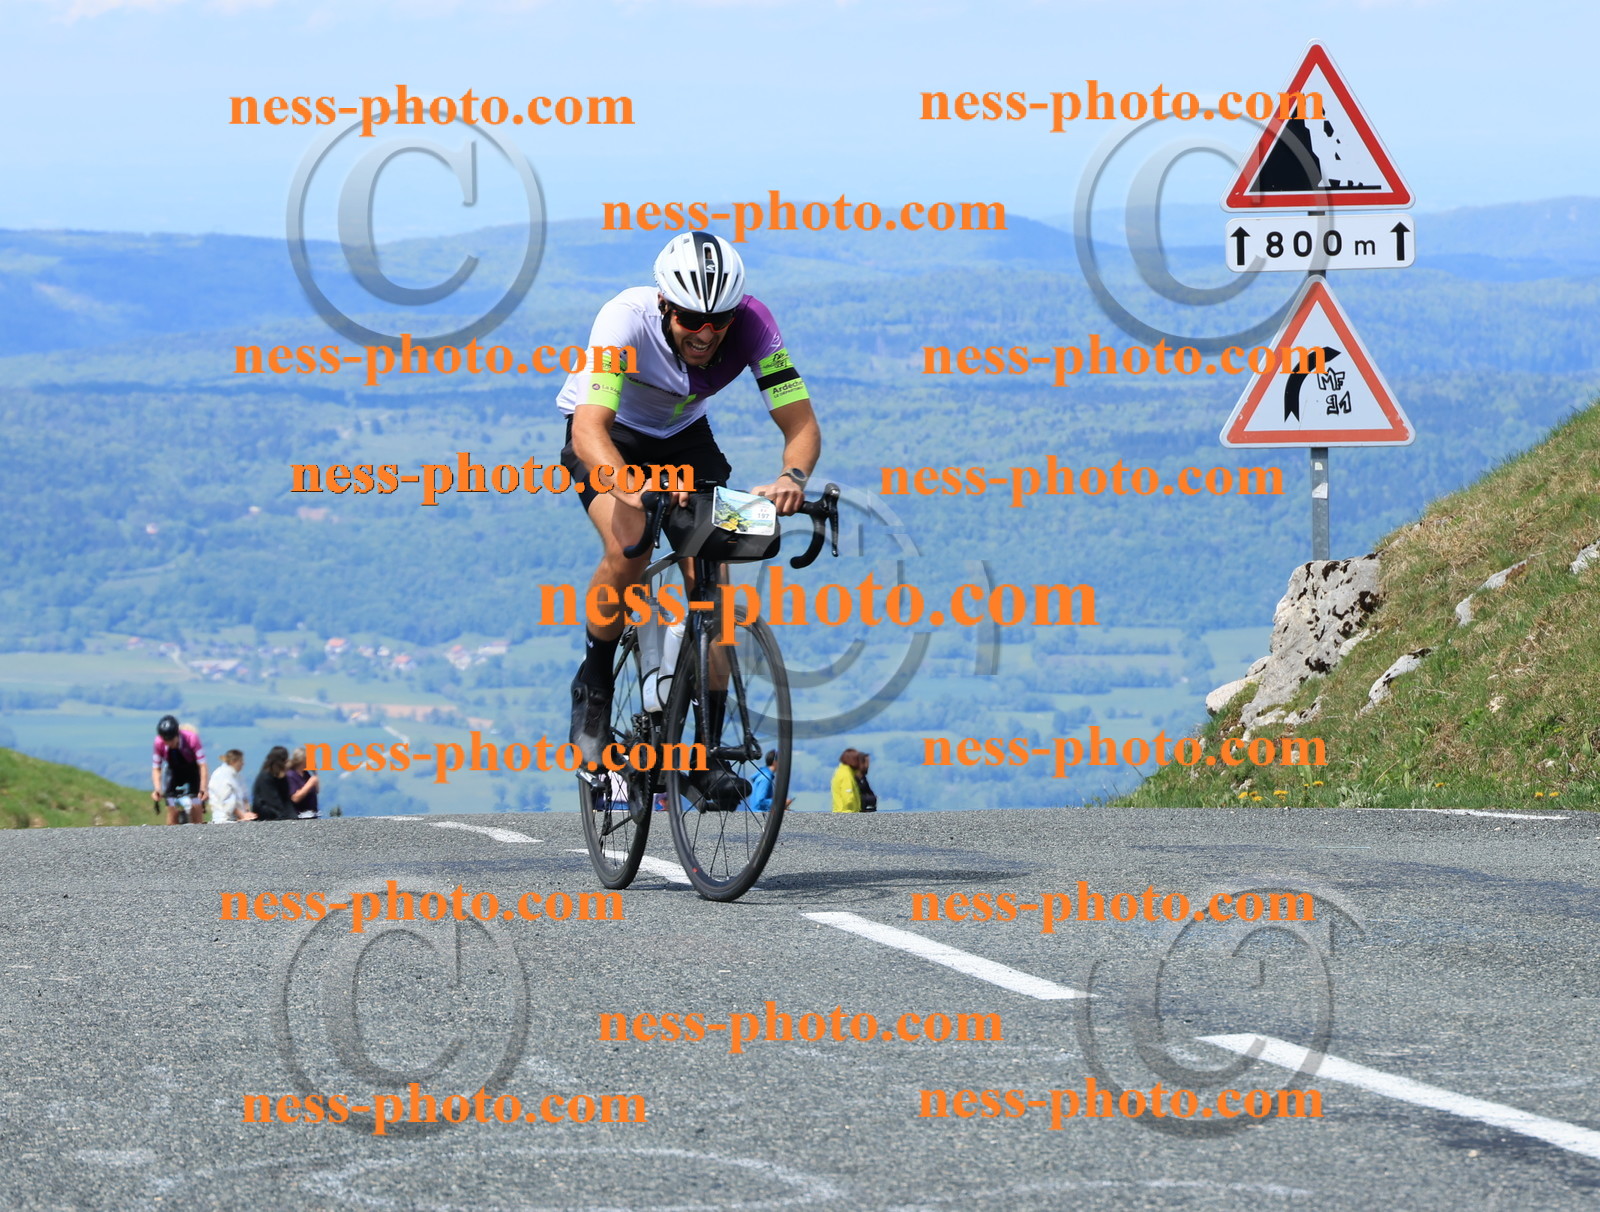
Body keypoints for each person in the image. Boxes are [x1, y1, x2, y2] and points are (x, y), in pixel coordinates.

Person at [556, 232, 821, 769]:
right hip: (612, 436)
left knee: (713, 589)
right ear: (664, 304)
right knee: (629, 544)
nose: (704, 334)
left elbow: (801, 424)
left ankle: (706, 751)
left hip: (684, 438)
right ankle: (595, 684)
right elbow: (589, 429)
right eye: (690, 319)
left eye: (718, 321)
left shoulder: (754, 325)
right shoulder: (624, 320)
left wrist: (792, 476)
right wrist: (632, 487)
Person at [150, 714, 208, 825]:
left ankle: (199, 829)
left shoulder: (192, 738)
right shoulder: (158, 742)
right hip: (173, 771)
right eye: (165, 740)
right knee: (171, 806)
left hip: (192, 770)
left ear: (178, 734)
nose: (168, 743)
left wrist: (203, 788)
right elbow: (156, 768)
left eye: (171, 740)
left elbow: (202, 765)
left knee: (196, 802)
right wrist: (157, 789)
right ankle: (172, 832)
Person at [208, 749, 256, 823]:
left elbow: (244, 795)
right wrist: (243, 815)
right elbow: (227, 801)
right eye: (241, 761)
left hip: (239, 817)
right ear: (234, 761)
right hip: (224, 819)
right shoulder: (221, 774)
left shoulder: (238, 775)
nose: (243, 763)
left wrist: (247, 812)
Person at [250, 746, 294, 821]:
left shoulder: (280, 775)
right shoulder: (265, 776)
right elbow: (272, 800)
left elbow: (286, 798)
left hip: (278, 811)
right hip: (266, 812)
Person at [749, 749, 792, 813]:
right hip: (759, 814)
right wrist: (781, 803)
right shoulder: (765, 778)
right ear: (775, 762)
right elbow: (760, 802)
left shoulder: (763, 775)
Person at [286, 747, 321, 820]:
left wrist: (315, 772)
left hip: (311, 815)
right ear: (303, 760)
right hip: (298, 816)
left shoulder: (306, 774)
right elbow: (295, 798)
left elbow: (317, 790)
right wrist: (310, 784)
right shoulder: (290, 775)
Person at [831, 748, 864, 814]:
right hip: (846, 812)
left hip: (840, 811)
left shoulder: (841, 771)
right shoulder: (846, 775)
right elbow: (848, 797)